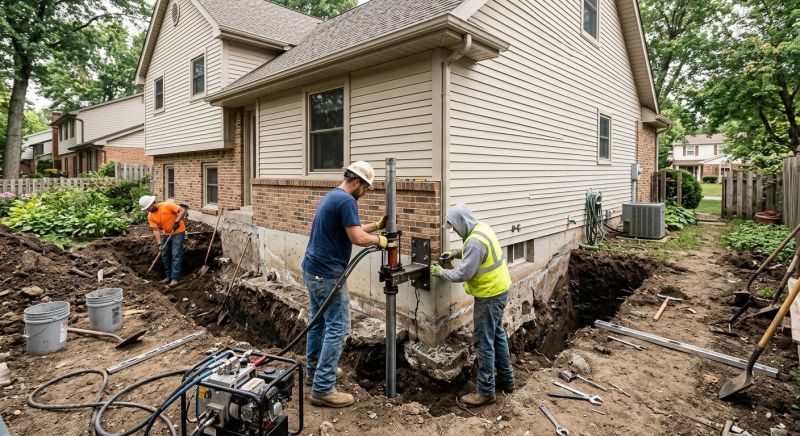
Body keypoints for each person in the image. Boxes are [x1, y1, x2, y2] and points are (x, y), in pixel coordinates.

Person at [301, 161, 390, 408]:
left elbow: (354, 228)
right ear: (357, 182)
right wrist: (381, 241)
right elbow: (357, 237)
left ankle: (314, 372)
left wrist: (377, 226)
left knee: (318, 322)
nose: (366, 193)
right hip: (327, 275)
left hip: (312, 270)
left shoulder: (333, 196)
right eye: (367, 188)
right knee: (338, 327)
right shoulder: (347, 201)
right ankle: (323, 388)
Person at [431, 203, 514, 407]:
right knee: (496, 335)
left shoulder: (474, 242)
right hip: (500, 289)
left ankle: (485, 391)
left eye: (454, 227)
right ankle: (507, 380)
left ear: (461, 223)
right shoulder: (481, 228)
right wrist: (455, 253)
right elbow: (473, 252)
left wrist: (441, 272)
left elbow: (464, 273)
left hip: (489, 295)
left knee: (483, 341)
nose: (455, 231)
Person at [139, 195, 187, 287]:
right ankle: (168, 276)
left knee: (176, 255)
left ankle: (174, 278)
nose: (148, 210)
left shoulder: (167, 205)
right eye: (146, 209)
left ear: (153, 203)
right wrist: (159, 243)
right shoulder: (150, 216)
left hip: (178, 232)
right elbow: (155, 230)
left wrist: (177, 221)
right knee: (165, 255)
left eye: (148, 207)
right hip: (166, 234)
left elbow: (182, 210)